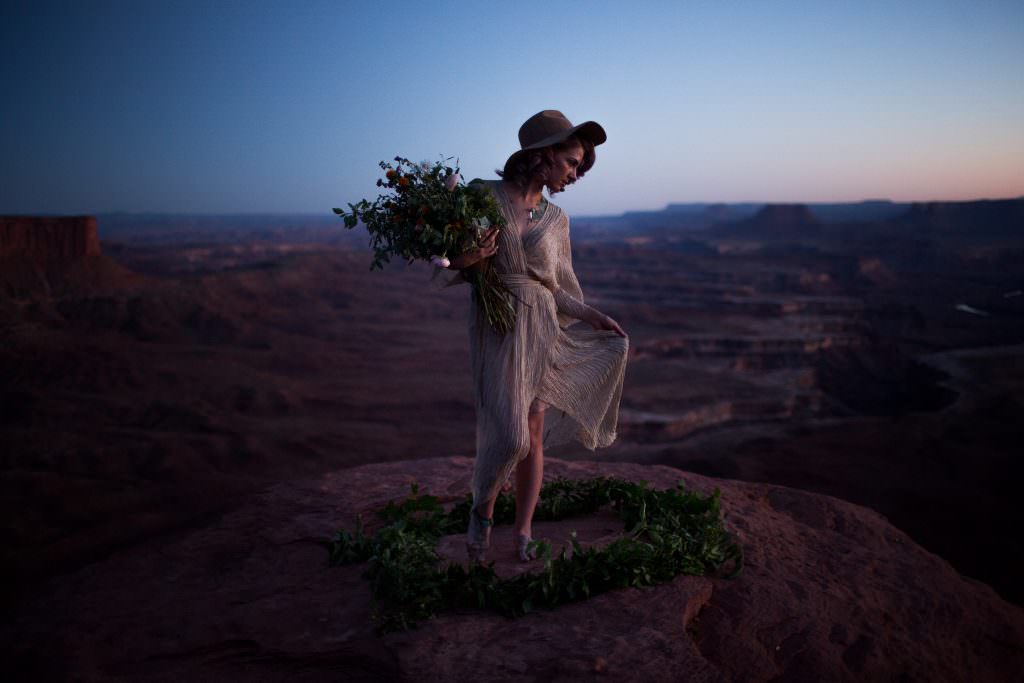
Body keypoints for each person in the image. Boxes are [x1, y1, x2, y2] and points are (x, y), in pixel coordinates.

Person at [431, 110, 629, 563]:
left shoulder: (556, 219)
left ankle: (522, 531)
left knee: (532, 434)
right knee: (508, 433)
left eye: (580, 167)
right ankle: (481, 511)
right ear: (543, 155)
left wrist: (593, 314)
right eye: (572, 163)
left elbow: (555, 287)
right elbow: (446, 263)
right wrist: (470, 257)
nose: (576, 175)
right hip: (496, 325)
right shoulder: (481, 196)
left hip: (540, 326)